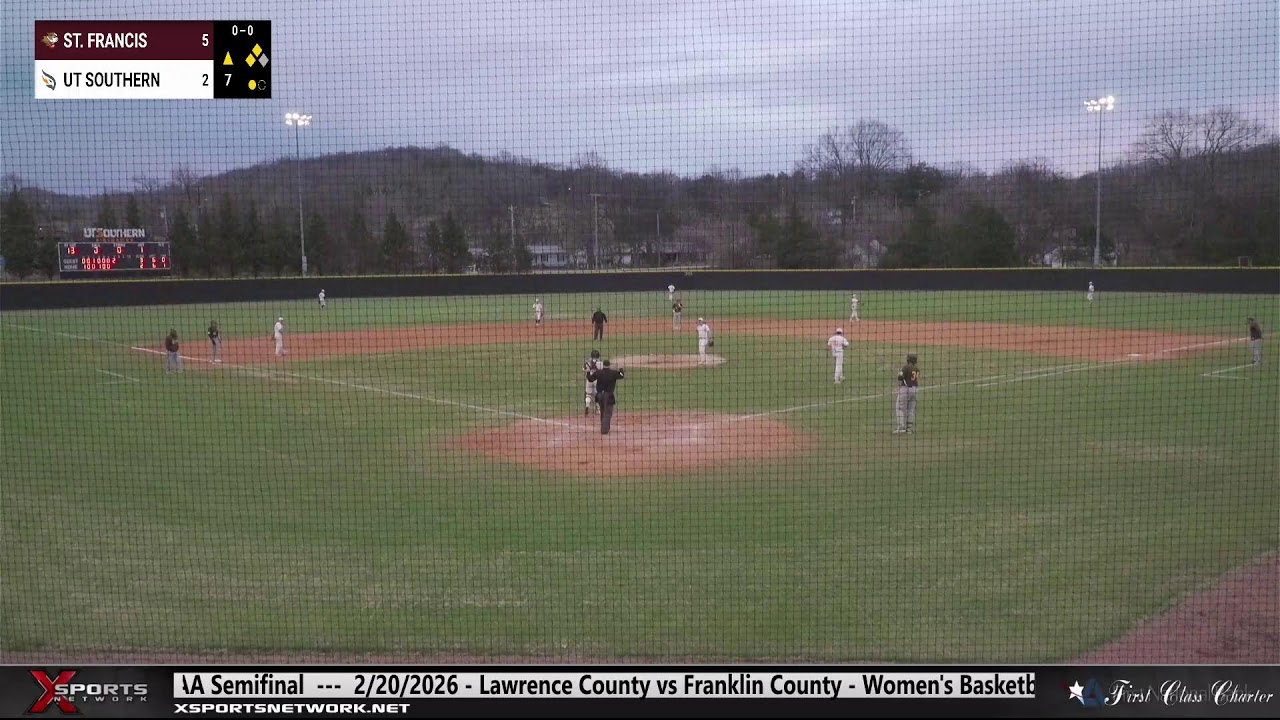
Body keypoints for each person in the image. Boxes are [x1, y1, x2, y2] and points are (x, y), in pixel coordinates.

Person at [587, 359, 625, 434]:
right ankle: (604, 430)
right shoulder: (613, 373)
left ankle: (604, 427)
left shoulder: (598, 372)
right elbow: (621, 376)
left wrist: (588, 372)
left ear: (603, 364)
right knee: (607, 413)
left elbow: (590, 379)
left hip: (600, 395)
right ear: (609, 364)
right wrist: (621, 369)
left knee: (603, 411)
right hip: (609, 395)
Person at [894, 353, 921, 434]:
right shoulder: (917, 369)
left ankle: (901, 427)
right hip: (915, 389)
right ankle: (909, 428)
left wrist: (900, 372)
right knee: (911, 409)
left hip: (905, 389)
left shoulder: (906, 367)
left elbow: (900, 378)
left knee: (900, 407)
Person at [583, 349, 603, 415]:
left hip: (589, 380)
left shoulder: (587, 363)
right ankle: (598, 409)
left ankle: (587, 406)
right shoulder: (600, 363)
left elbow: (585, 370)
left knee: (588, 394)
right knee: (597, 394)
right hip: (597, 380)